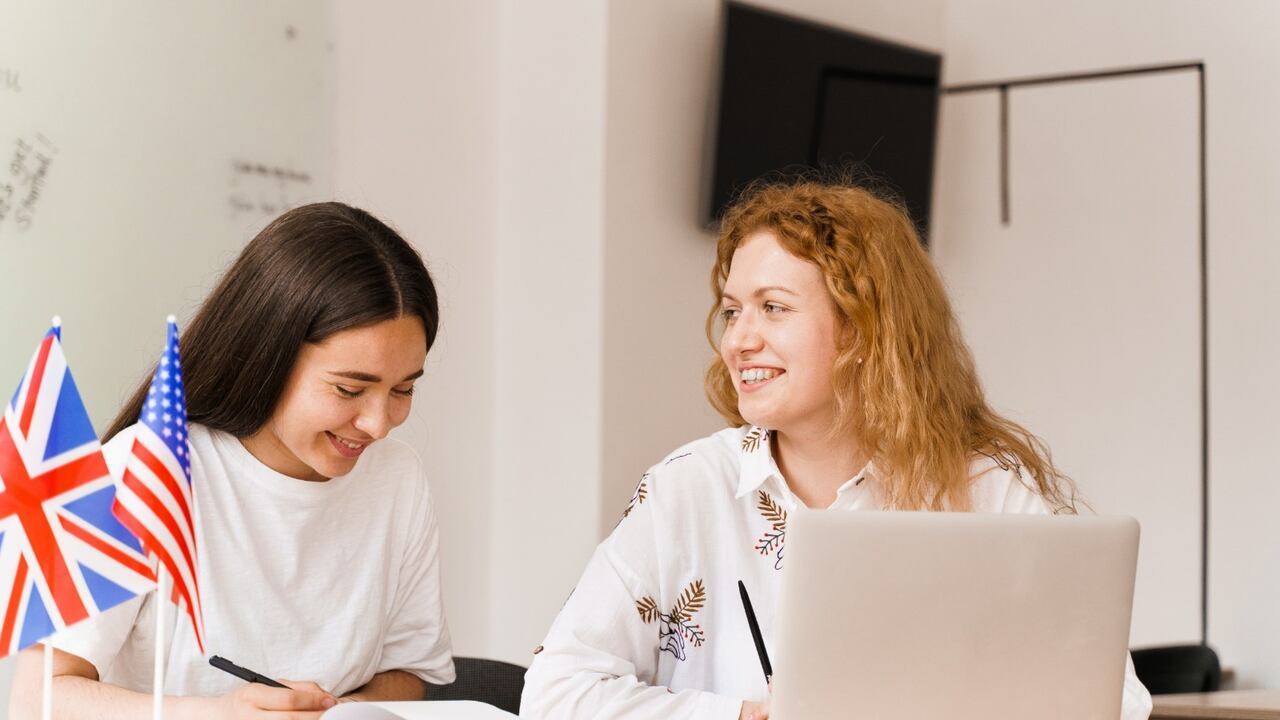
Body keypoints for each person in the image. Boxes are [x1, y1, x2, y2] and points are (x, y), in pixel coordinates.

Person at [519, 181, 1153, 719]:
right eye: (734, 310)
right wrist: (740, 716)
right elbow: (554, 690)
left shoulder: (984, 490)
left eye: (773, 308)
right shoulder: (687, 487)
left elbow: (1116, 701)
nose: (739, 339)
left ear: (862, 328)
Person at [10, 202, 454, 719]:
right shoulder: (140, 472)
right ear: (271, 354)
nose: (378, 424)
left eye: (402, 389)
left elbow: (408, 673)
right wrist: (216, 715)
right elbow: (36, 700)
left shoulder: (396, 478)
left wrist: (337, 712)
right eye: (349, 388)